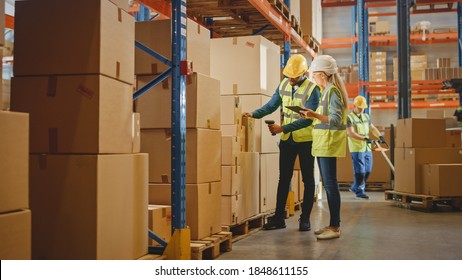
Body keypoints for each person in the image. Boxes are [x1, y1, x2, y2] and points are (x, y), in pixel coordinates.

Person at [242, 54, 320, 231]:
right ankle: (279, 218)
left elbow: (309, 119)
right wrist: (254, 114)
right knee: (283, 178)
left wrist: (282, 129)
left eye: (295, 76)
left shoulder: (313, 89)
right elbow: (271, 105)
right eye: (289, 75)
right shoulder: (284, 84)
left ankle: (305, 219)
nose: (291, 78)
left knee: (308, 180)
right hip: (287, 140)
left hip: (306, 140)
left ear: (304, 73)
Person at [299, 55, 348, 240]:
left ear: (322, 74)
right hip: (322, 145)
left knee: (330, 186)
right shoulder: (326, 91)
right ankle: (332, 224)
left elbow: (335, 120)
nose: (312, 78)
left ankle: (335, 227)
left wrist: (314, 115)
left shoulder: (332, 92)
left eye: (313, 75)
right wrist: (312, 115)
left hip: (328, 144)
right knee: (329, 186)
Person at [346, 95, 384, 199]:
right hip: (357, 148)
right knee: (360, 171)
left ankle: (355, 187)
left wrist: (380, 136)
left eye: (363, 107)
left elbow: (372, 128)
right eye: (359, 107)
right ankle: (359, 192)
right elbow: (350, 133)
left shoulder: (366, 116)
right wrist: (364, 139)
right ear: (354, 105)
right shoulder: (349, 118)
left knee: (368, 170)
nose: (362, 109)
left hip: (367, 148)